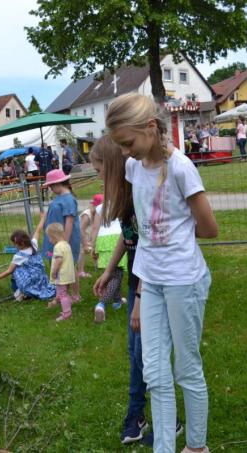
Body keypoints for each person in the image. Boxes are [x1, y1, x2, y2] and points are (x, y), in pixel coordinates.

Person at [105, 92, 219, 453]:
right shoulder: (133, 167)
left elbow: (209, 228)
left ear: (151, 128)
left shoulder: (182, 169)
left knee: (186, 368)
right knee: (154, 373)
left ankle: (197, 446)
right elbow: (142, 226)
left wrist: (177, 240)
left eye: (128, 142)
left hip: (184, 280)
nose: (125, 151)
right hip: (149, 281)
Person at [91, 135, 183, 446]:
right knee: (137, 353)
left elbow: (150, 246)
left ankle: (153, 418)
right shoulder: (124, 197)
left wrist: (140, 300)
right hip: (136, 278)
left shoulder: (138, 194)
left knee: (146, 354)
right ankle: (146, 416)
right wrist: (107, 270)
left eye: (99, 170)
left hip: (151, 282)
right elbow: (128, 239)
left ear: (113, 166)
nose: (98, 177)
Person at [0, 211, 56, 302]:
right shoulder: (33, 244)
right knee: (23, 267)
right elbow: (38, 230)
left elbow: (8, 271)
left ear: (20, 244)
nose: (14, 246)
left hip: (31, 282)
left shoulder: (18, 256)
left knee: (16, 270)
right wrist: (43, 218)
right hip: (42, 279)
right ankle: (29, 291)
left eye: (14, 244)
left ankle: (21, 291)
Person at [41, 169, 81, 302]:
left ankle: (75, 295)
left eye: (51, 186)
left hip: (64, 240)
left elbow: (69, 222)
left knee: (69, 265)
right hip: (55, 239)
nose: (51, 189)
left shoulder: (69, 199)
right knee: (58, 264)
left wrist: (65, 243)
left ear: (59, 184)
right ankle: (62, 293)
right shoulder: (59, 198)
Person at [90, 200, 127, 322]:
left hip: (103, 239)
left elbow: (95, 227)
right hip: (118, 238)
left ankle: (117, 301)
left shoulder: (100, 207)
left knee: (113, 274)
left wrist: (93, 245)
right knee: (117, 275)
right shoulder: (122, 203)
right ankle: (101, 304)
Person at [45, 222, 76, 321]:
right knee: (64, 292)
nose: (49, 240)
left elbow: (59, 261)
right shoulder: (66, 244)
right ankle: (66, 304)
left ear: (53, 236)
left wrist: (54, 272)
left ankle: (67, 313)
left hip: (61, 275)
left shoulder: (57, 246)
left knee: (62, 294)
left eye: (49, 238)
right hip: (68, 274)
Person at [78, 194, 101, 279]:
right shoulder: (87, 215)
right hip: (80, 236)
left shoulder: (96, 214)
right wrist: (85, 243)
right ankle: (80, 271)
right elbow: (80, 229)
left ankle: (98, 266)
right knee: (82, 251)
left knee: (95, 248)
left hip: (87, 236)